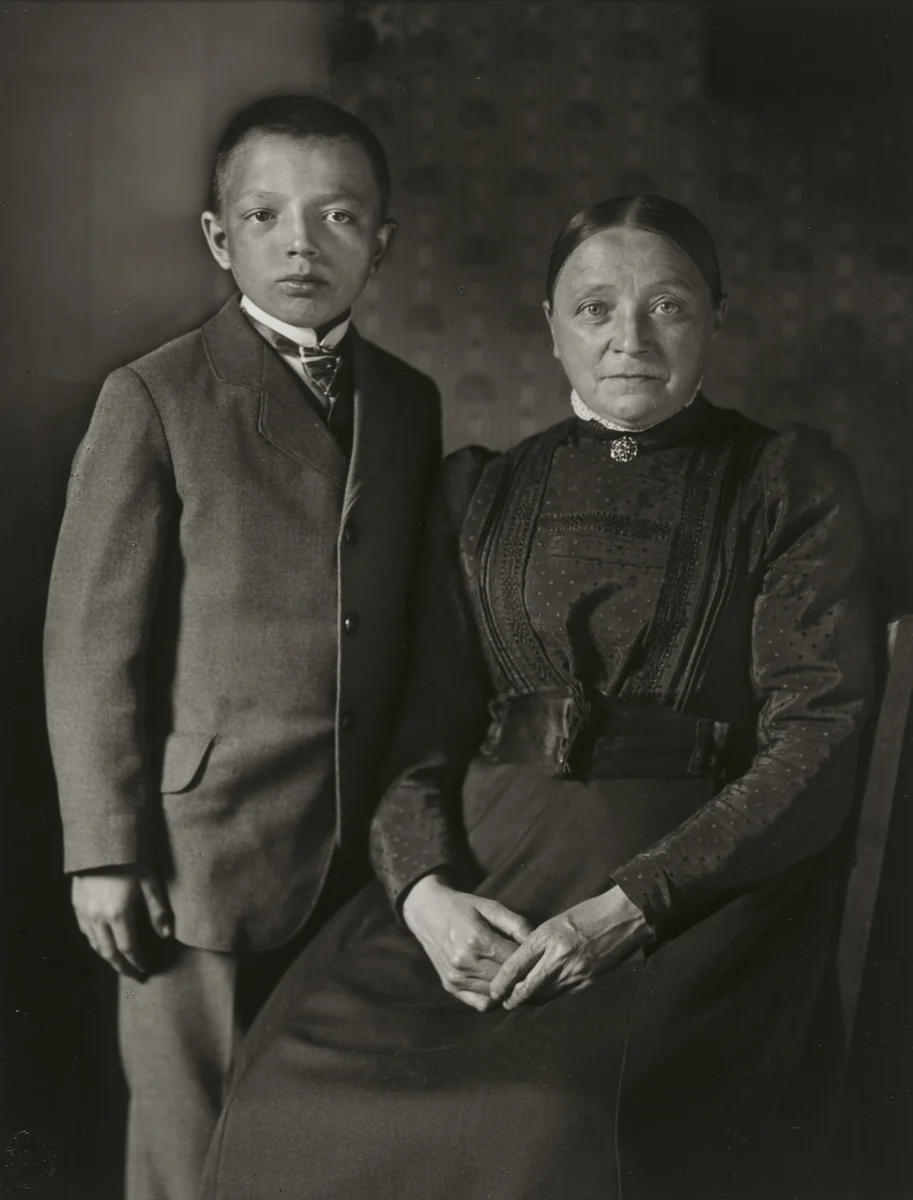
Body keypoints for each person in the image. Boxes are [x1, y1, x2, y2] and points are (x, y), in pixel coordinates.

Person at [200, 195, 875, 1200]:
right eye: (594, 308)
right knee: (286, 1088)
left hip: (696, 891)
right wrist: (425, 894)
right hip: (487, 872)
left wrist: (630, 910)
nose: (629, 338)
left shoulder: (784, 481)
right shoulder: (480, 491)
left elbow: (817, 738)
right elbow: (422, 733)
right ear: (551, 326)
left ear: (714, 321)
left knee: (543, 1119)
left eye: (668, 307)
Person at [43, 94, 441, 1200]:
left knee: (316, 1144)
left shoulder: (409, 403)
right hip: (198, 853)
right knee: (189, 1153)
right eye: (266, 216)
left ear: (381, 242)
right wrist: (102, 851)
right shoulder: (155, 396)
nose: (301, 244)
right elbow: (89, 645)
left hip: (356, 848)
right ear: (221, 238)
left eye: (338, 217)